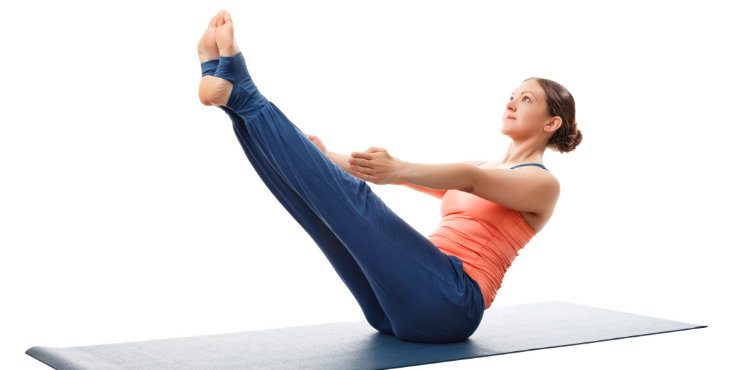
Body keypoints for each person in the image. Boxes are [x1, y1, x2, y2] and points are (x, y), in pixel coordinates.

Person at [197, 10, 582, 344]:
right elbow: (411, 177)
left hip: (451, 304)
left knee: (356, 200)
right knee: (317, 211)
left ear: (552, 123)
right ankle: (234, 106)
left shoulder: (542, 184)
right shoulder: (486, 168)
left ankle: (242, 92)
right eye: (512, 95)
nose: (511, 101)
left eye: (526, 99)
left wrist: (396, 167)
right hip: (393, 308)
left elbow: (467, 180)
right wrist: (327, 156)